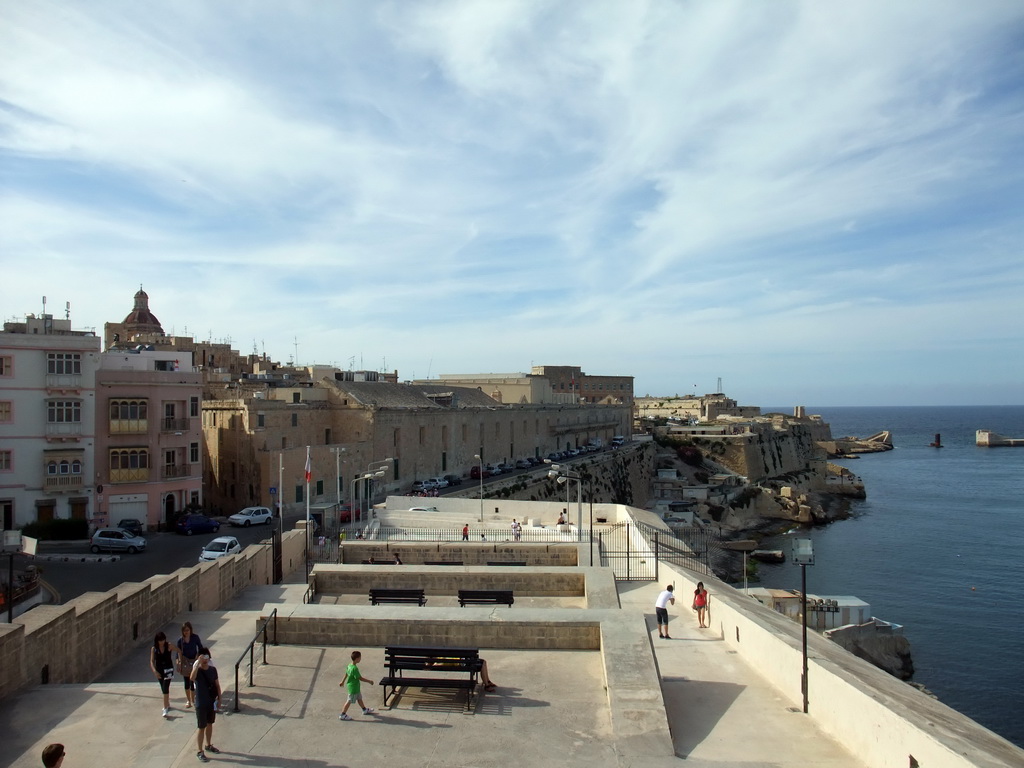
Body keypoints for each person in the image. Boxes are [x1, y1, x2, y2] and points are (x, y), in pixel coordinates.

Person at [189, 647, 222, 762]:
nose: (205, 659)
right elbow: (192, 678)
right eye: (203, 657)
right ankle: (199, 751)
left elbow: (217, 685)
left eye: (206, 657)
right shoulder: (198, 671)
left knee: (210, 724)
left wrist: (220, 699)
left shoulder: (213, 670)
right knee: (201, 727)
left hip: (211, 702)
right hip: (201, 703)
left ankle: (208, 745)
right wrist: (197, 663)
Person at [150, 630, 181, 717]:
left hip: (168, 669)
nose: (162, 642)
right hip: (159, 670)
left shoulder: (169, 646)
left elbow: (179, 651)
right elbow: (152, 661)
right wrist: (154, 671)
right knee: (163, 688)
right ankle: (167, 703)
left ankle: (165, 708)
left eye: (163, 640)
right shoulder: (154, 649)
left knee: (165, 688)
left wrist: (179, 662)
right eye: (160, 640)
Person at [339, 651, 376, 720]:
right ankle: (342, 714)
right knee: (349, 700)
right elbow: (360, 678)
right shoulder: (355, 668)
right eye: (360, 658)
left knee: (359, 698)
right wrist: (369, 681)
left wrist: (342, 681)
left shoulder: (349, 665)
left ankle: (364, 709)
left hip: (354, 687)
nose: (360, 659)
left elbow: (346, 673)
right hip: (353, 688)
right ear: (357, 659)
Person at [176, 621, 203, 709]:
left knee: (193, 682)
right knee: (186, 682)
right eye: (184, 630)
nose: (186, 632)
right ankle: (188, 700)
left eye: (187, 630)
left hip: (194, 661)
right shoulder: (180, 641)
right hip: (185, 663)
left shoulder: (195, 638)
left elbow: (200, 647)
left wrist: (198, 657)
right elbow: (178, 652)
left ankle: (193, 699)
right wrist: (178, 663)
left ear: (190, 630)